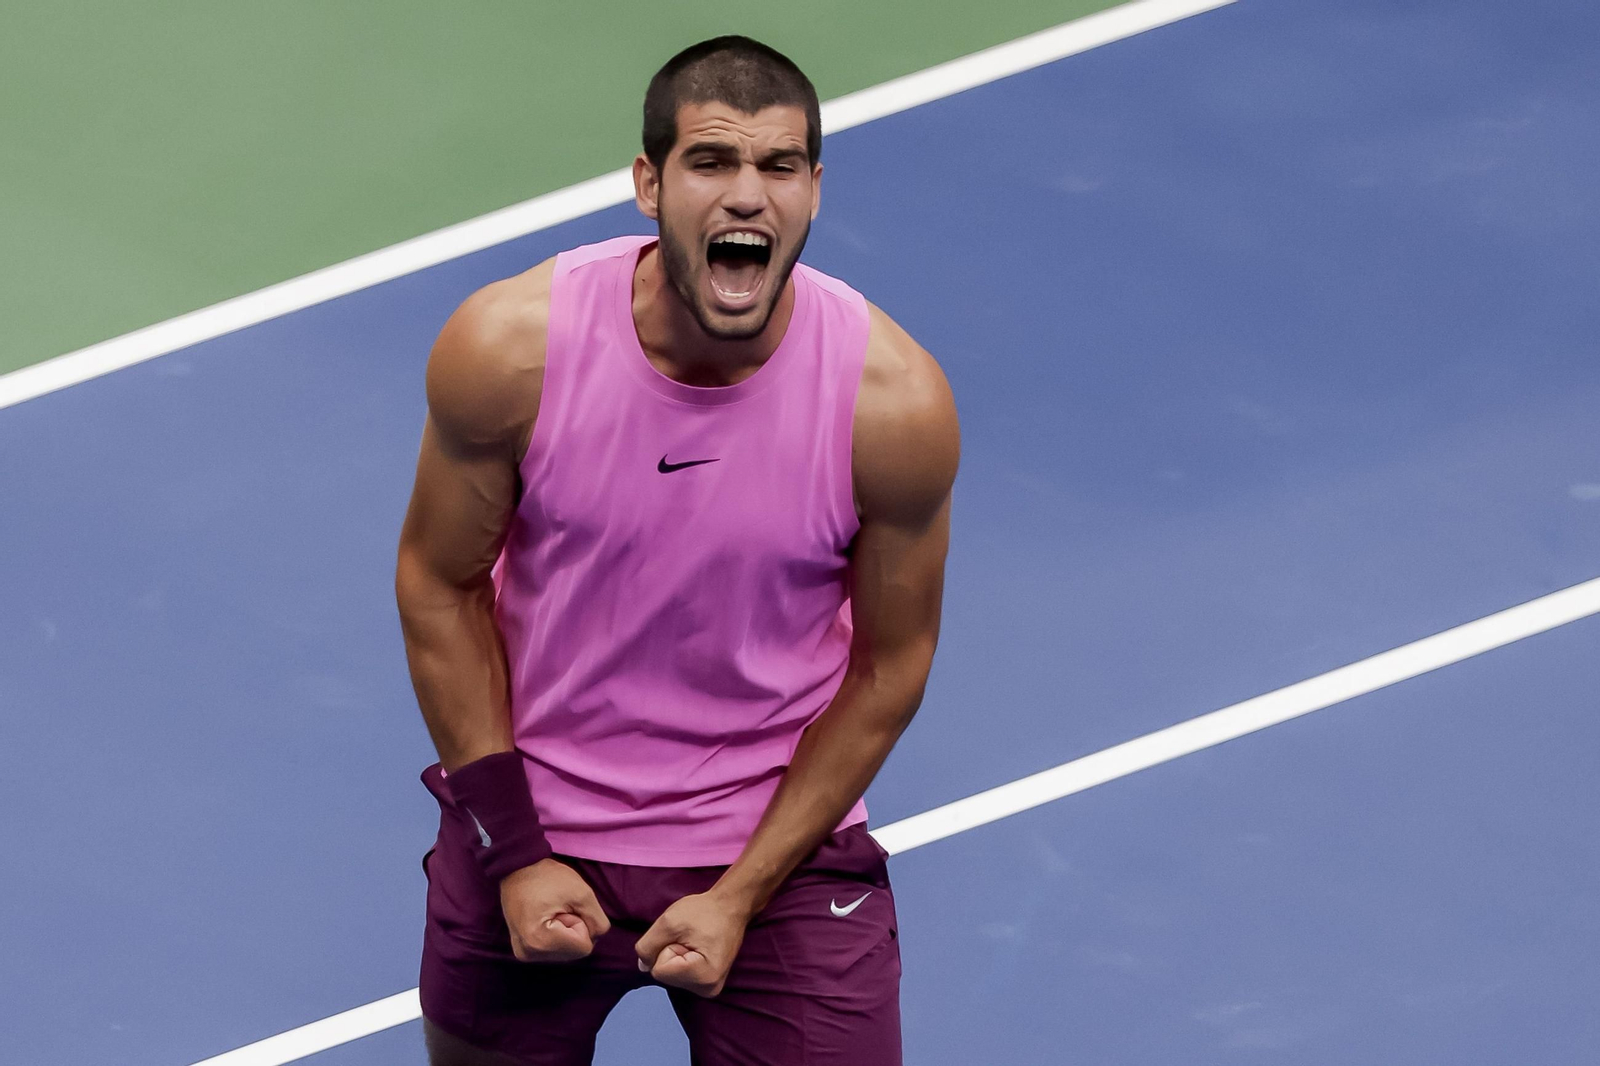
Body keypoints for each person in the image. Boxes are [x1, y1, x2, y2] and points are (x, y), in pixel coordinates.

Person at [394, 34, 959, 1066]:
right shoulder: (510, 351)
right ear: (649, 181)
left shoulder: (893, 404)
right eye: (711, 162)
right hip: (534, 821)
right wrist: (515, 853)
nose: (747, 196)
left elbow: (891, 664)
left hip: (774, 849)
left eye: (778, 166)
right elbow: (439, 581)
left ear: (815, 190)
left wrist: (740, 892)